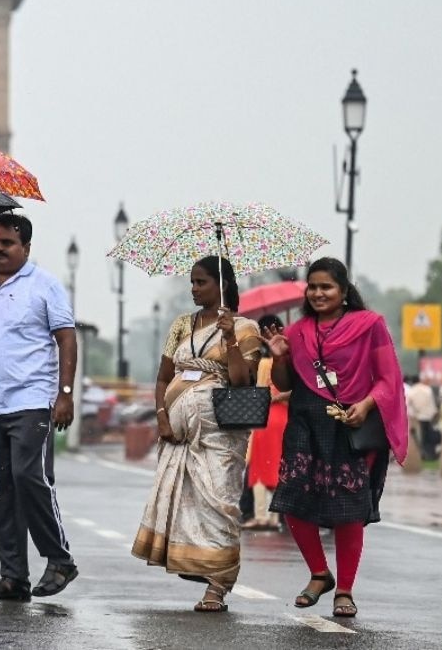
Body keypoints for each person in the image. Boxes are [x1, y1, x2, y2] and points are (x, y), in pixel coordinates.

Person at [264, 257, 407, 619]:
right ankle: (319, 573)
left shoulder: (370, 325)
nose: (317, 293)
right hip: (304, 424)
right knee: (291, 500)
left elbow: (387, 378)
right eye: (312, 286)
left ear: (344, 292)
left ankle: (344, 589)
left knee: (348, 510)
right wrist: (279, 357)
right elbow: (284, 384)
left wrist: (366, 404)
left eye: (326, 287)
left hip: (349, 424)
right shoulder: (296, 333)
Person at [131, 255, 261, 613]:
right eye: (191, 281)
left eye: (201, 281)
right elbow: (163, 378)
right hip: (178, 434)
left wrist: (231, 336)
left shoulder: (245, 328)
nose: (193, 288)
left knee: (220, 504)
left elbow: (241, 381)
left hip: (220, 436)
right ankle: (198, 566)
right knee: (187, 505)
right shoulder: (181, 326)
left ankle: (219, 584)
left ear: (223, 285)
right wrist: (161, 416)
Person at [0, 213, 79, 601]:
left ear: (26, 248)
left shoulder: (44, 285)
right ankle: (14, 575)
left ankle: (59, 557)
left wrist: (64, 394)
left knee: (28, 476)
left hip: (32, 401)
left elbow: (66, 338)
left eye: (7, 243)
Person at [243, 314, 290, 530]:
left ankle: (261, 515)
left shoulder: (263, 364)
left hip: (267, 418)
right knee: (277, 467)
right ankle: (274, 517)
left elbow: (260, 393)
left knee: (260, 467)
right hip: (285, 418)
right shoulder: (287, 361)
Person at [404, 375, 440, 461]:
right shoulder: (427, 389)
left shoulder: (412, 392)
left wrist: (412, 416)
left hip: (418, 418)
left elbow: (409, 406)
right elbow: (432, 404)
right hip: (428, 417)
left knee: (420, 438)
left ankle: (422, 455)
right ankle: (430, 454)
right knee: (429, 437)